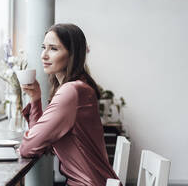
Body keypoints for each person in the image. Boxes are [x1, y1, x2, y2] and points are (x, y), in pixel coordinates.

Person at [19, 23, 120, 186]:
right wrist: (35, 98)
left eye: (53, 49)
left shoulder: (71, 92)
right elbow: (38, 141)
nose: (43, 55)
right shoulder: (77, 87)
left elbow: (28, 147)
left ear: (72, 54)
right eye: (43, 47)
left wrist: (35, 106)